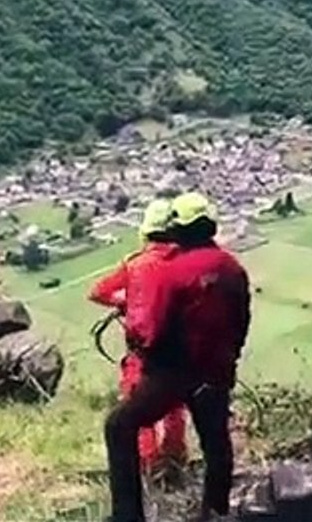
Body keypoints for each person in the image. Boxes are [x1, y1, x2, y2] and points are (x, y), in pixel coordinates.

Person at [104, 192, 252, 522]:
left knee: (119, 425)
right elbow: (242, 320)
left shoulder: (172, 272)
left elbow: (150, 326)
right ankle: (214, 513)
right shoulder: (234, 269)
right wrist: (229, 361)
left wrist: (143, 350)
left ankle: (127, 516)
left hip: (172, 373)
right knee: (216, 445)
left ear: (178, 230)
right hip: (216, 371)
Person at [87, 199, 189, 474]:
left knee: (139, 408)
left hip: (144, 353)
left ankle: (149, 466)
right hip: (182, 350)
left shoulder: (136, 265)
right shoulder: (189, 261)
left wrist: (127, 301)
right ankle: (175, 459)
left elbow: (98, 292)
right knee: (175, 405)